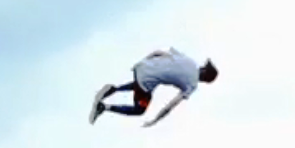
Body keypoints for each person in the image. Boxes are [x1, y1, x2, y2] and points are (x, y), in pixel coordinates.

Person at [89, 47, 218, 128]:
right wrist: (155, 120)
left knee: (142, 87)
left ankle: (114, 89)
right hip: (145, 81)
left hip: (141, 66)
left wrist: (142, 61)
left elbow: (158, 52)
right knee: (140, 109)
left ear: (203, 67)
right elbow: (170, 106)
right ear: (205, 79)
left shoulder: (190, 60)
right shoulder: (192, 85)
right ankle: (104, 107)